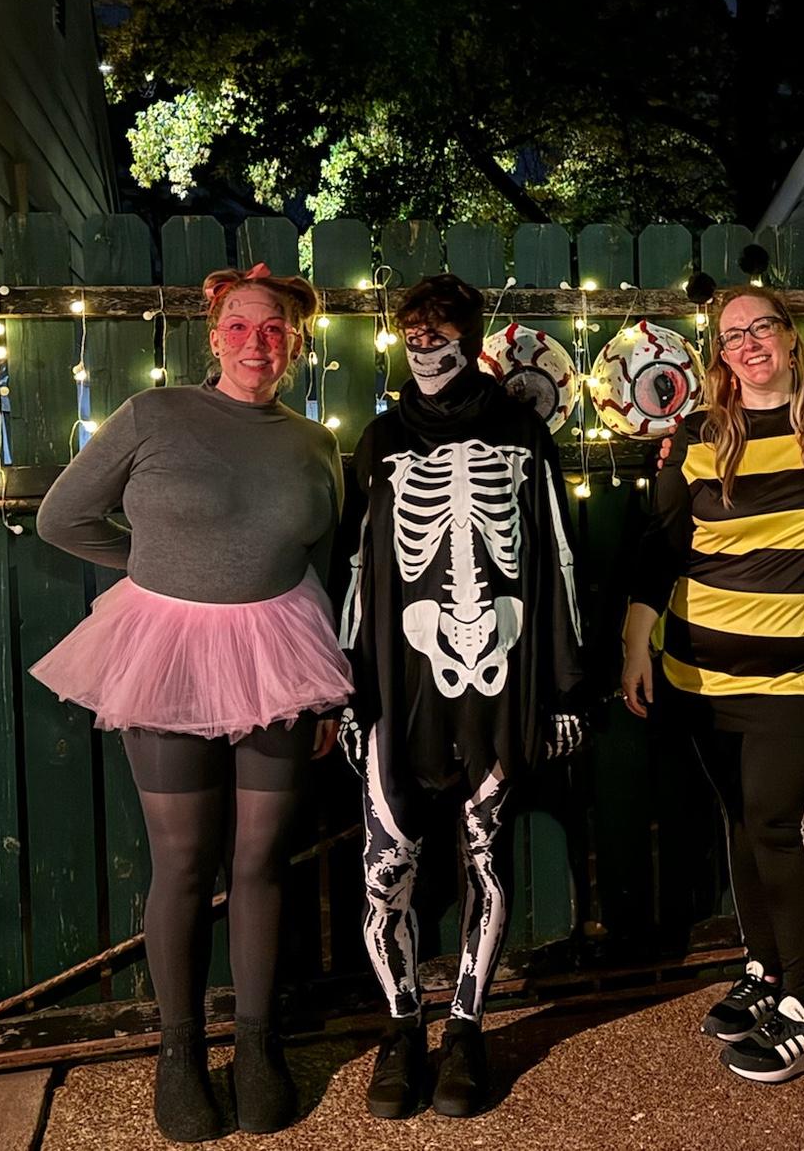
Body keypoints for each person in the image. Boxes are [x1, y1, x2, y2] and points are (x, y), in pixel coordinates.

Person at [31, 262, 353, 1141]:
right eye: (241, 326)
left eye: (275, 328)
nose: (257, 342)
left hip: (282, 654)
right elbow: (63, 518)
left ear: (296, 344)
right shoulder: (154, 414)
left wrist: (331, 691)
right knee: (181, 860)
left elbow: (321, 560)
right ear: (214, 337)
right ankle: (178, 1055)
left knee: (261, 858)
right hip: (167, 651)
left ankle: (256, 1048)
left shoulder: (313, 443)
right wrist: (156, 570)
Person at [336, 272, 586, 1120]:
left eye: (439, 333)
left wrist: (565, 689)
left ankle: (467, 1029)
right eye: (412, 333)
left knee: (485, 851)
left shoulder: (521, 431)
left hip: (501, 676)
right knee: (386, 866)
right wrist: (348, 690)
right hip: (400, 680)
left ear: (470, 339)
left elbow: (558, 556)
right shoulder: (380, 438)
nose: (424, 347)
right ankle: (403, 1026)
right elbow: (357, 567)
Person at [622, 286, 804, 1084]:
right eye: (732, 336)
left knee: (780, 821)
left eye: (762, 326)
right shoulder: (700, 435)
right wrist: (635, 643)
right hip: (704, 669)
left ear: (791, 337)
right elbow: (661, 545)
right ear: (720, 355)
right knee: (742, 819)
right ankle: (765, 968)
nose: (749, 343)